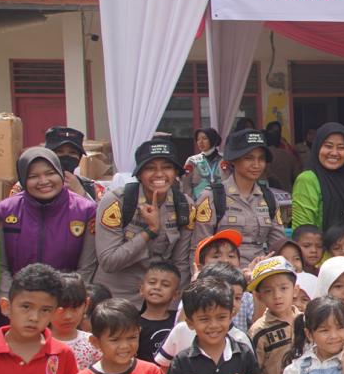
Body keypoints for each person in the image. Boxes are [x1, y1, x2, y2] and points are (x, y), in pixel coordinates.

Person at [94, 139, 193, 303]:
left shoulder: (184, 205)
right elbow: (109, 261)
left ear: (175, 172)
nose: (159, 174)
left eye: (167, 167)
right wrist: (149, 232)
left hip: (161, 302)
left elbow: (180, 263)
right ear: (139, 174)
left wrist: (174, 307)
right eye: (150, 168)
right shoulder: (117, 201)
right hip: (118, 300)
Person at [0, 147, 97, 299]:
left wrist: (67, 298)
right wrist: (14, 299)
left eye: (50, 173)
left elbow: (87, 267)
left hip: (66, 302)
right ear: (23, 179)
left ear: (60, 173)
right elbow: (0, 267)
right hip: (18, 302)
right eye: (33, 176)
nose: (43, 181)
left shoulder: (85, 211)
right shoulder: (5, 211)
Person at [193, 130, 285, 268]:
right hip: (223, 278)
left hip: (259, 277)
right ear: (234, 160)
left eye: (261, 159)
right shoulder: (213, 196)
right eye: (249, 158)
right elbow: (198, 247)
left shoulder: (269, 198)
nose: (256, 164)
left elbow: (278, 246)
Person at [292, 123, 344, 232]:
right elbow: (302, 232)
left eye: (341, 148)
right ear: (317, 147)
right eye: (328, 146)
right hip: (320, 248)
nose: (334, 153)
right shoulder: (307, 179)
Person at [43, 125, 104, 202]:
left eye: (72, 152)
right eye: (59, 151)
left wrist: (82, 194)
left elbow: (103, 212)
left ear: (79, 157)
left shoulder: (92, 187)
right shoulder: (35, 185)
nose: (66, 157)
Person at [137, 261, 181, 363]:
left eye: (165, 285)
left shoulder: (179, 319)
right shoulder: (132, 322)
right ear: (141, 289)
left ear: (175, 294)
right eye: (152, 282)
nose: (157, 287)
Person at [184, 127, 223, 199]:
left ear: (212, 139)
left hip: (223, 204)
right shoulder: (192, 161)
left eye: (204, 138)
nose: (200, 142)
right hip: (199, 206)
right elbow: (186, 186)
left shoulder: (224, 160)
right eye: (198, 139)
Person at [262, 121, 301, 191]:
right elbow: (298, 178)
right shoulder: (289, 156)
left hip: (267, 195)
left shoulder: (260, 156)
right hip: (286, 196)